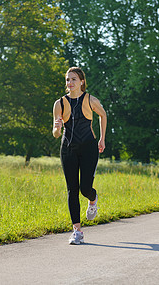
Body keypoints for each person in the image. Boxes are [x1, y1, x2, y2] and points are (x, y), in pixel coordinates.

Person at [52, 67, 107, 244]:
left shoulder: (90, 100)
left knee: (85, 188)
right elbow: (55, 133)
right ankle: (77, 231)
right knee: (72, 189)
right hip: (68, 148)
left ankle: (93, 198)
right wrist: (57, 127)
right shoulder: (59, 103)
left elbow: (103, 115)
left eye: (74, 79)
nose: (70, 83)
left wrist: (102, 139)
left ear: (82, 81)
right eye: (68, 80)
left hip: (89, 147)